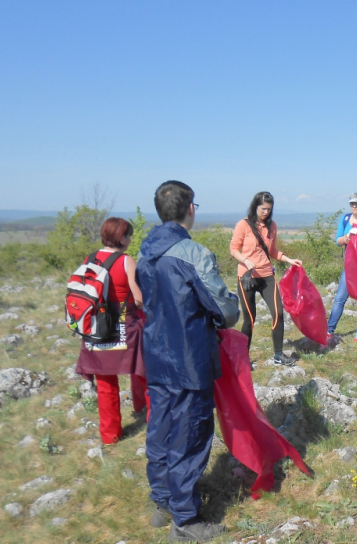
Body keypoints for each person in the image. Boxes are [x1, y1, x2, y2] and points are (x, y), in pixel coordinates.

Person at [136, 180, 240, 543]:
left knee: (161, 429)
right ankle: (185, 521)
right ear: (189, 208)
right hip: (188, 359)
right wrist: (231, 307)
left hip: (156, 355)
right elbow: (225, 311)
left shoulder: (145, 250)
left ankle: (162, 502)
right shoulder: (192, 254)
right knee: (190, 435)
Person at [75, 217, 148, 445]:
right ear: (122, 237)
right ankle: (148, 413)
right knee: (144, 371)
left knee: (106, 383)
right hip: (124, 325)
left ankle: (110, 435)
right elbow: (139, 299)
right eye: (128, 235)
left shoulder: (90, 259)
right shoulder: (126, 261)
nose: (129, 240)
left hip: (96, 327)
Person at [230, 191, 302, 367]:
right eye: (263, 209)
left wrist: (289, 260)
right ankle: (243, 359)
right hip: (246, 277)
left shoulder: (272, 226)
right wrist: (246, 261)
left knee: (278, 313)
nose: (266, 212)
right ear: (255, 206)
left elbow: (272, 251)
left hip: (267, 276)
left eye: (269, 209)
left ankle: (278, 355)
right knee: (250, 319)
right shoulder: (243, 225)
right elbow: (233, 249)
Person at [327, 192, 357, 343]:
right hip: (349, 266)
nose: (354, 206)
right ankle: (329, 331)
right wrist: (347, 237)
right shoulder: (345, 219)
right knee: (340, 298)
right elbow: (338, 240)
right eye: (352, 204)